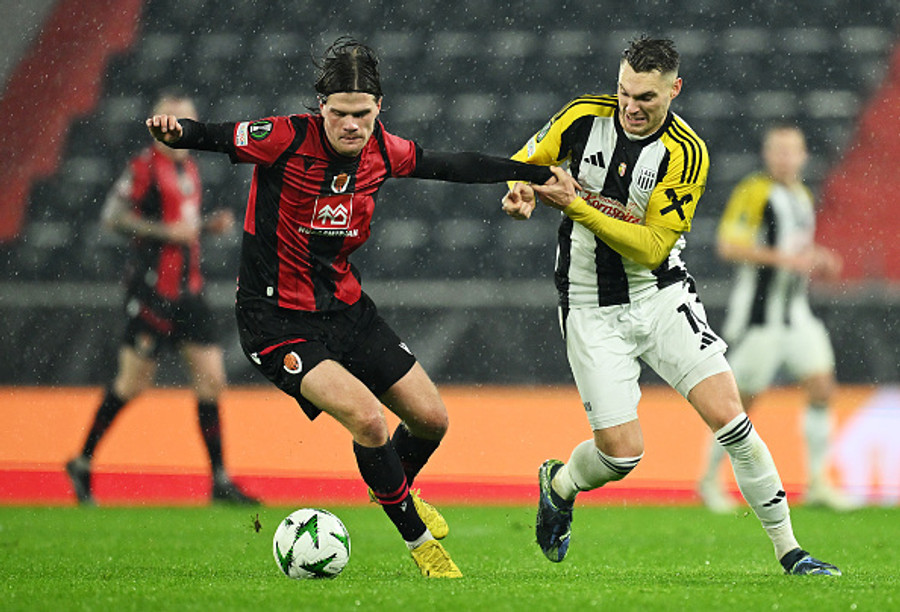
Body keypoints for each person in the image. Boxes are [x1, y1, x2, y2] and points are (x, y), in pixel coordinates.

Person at [145, 37, 553, 579]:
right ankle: (419, 542)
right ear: (322, 108)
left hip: (346, 309)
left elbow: (451, 164)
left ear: (379, 108)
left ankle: (393, 488)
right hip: (274, 319)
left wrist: (531, 173)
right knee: (368, 419)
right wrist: (180, 131)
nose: (351, 125)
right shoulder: (287, 137)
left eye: (362, 113)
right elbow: (217, 135)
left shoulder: (384, 149)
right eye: (339, 113)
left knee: (432, 419)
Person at [501, 37, 840, 576]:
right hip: (589, 303)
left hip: (660, 294)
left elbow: (653, 247)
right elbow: (523, 161)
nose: (630, 107)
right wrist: (519, 188)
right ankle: (560, 485)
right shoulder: (583, 116)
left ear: (674, 90)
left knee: (732, 418)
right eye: (624, 92)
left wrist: (576, 204)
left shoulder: (686, 152)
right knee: (620, 455)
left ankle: (791, 551)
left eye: (646, 98)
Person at [66, 92, 259, 507]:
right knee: (132, 384)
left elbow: (182, 226)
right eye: (176, 120)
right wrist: (163, 232)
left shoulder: (189, 167)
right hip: (153, 290)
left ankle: (219, 478)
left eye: (188, 120)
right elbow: (113, 217)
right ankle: (82, 462)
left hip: (190, 291)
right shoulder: (143, 168)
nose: (184, 128)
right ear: (159, 124)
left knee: (212, 380)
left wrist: (206, 227)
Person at [697, 123, 847, 513]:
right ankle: (708, 479)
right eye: (777, 150)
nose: (784, 158)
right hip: (759, 316)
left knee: (821, 387)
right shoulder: (754, 191)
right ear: (767, 154)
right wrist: (784, 259)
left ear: (803, 156)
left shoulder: (801, 195)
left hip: (796, 314)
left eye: (790, 150)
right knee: (736, 405)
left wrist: (817, 257)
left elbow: (796, 248)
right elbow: (729, 246)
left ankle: (818, 482)